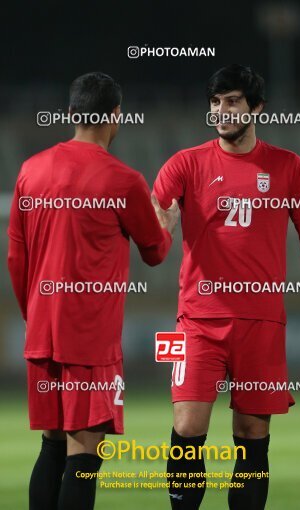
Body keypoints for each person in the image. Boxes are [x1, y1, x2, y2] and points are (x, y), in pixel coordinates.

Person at [152, 64, 300, 510]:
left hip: (262, 323)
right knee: (187, 425)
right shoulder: (185, 163)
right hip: (195, 320)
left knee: (252, 434)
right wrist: (164, 227)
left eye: (232, 101)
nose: (221, 110)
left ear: (257, 107)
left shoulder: (289, 167)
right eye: (215, 102)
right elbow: (158, 221)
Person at [7, 71, 179, 510]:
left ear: (71, 112)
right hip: (89, 340)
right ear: (116, 116)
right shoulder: (123, 180)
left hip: (43, 333)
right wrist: (167, 225)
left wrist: (35, 317)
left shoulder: (31, 170)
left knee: (51, 445)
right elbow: (155, 253)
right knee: (84, 453)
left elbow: (16, 257)